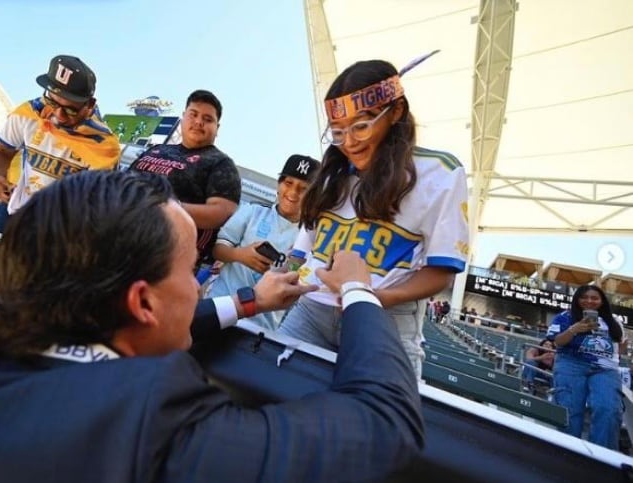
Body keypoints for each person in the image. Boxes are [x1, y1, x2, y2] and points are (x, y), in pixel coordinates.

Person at [0, 170, 423, 482]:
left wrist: (245, 303)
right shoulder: (159, 428)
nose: (198, 286)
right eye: (188, 272)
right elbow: (384, 419)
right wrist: (357, 289)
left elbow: (117, 327)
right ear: (143, 301)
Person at [277, 58, 469, 379]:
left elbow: (440, 273)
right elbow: (302, 252)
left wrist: (372, 297)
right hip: (312, 308)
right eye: (338, 132)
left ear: (395, 112)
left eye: (362, 124)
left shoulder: (441, 173)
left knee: (380, 419)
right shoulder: (330, 174)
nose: (349, 142)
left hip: (385, 317)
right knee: (277, 394)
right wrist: (285, 278)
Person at [0, 54, 120, 219]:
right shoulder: (28, 114)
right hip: (12, 211)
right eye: (53, 103)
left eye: (70, 109)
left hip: (55, 227)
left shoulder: (103, 146)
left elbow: (96, 203)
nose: (59, 115)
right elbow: (1, 151)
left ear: (90, 105)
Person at [205, 154, 321, 330]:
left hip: (262, 328)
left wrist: (291, 267)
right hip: (221, 305)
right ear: (278, 184)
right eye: (288, 183)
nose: (293, 193)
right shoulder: (253, 212)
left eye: (303, 188)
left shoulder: (311, 238)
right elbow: (218, 248)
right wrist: (240, 255)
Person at [129, 89, 241, 268]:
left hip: (164, 260)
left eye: (207, 119)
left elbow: (222, 212)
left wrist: (164, 208)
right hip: (119, 238)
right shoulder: (157, 149)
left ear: (217, 128)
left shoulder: (221, 163)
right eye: (193, 114)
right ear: (183, 117)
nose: (198, 122)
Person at [547, 285, 625, 450]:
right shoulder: (565, 317)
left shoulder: (615, 322)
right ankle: (568, 452)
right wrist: (573, 330)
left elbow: (620, 346)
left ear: (602, 301)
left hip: (605, 369)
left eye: (594, 298)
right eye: (584, 297)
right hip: (571, 364)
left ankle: (602, 455)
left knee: (608, 408)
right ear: (577, 299)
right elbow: (557, 341)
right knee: (570, 409)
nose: (589, 301)